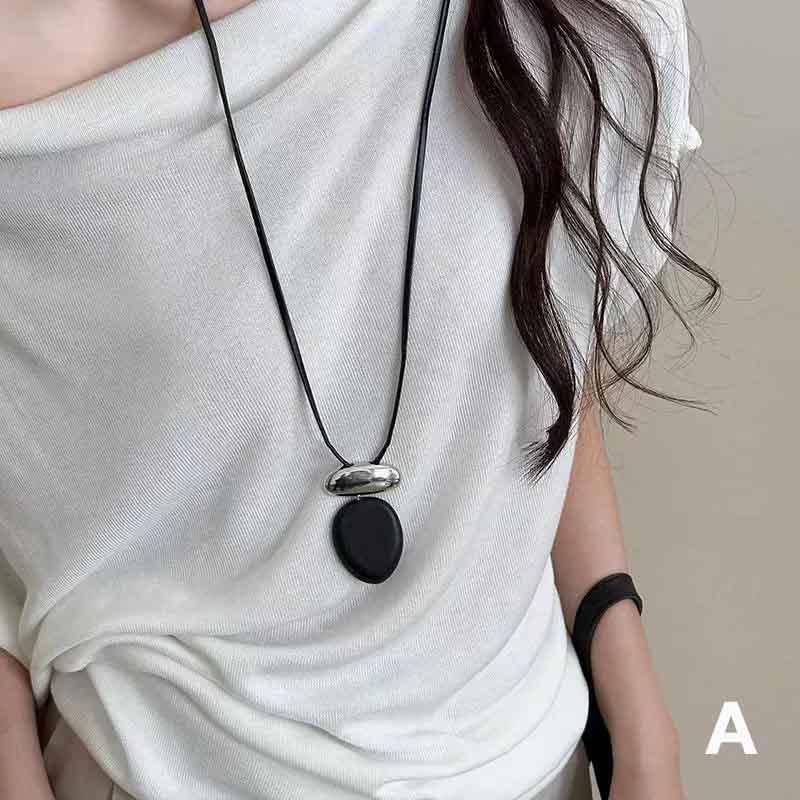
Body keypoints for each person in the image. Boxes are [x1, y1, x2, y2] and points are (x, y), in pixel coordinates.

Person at [0, 1, 718, 799]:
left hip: (539, 764)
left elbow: (522, 369)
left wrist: (639, 716)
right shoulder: (29, 79)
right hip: (161, 769)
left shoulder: (580, 22)